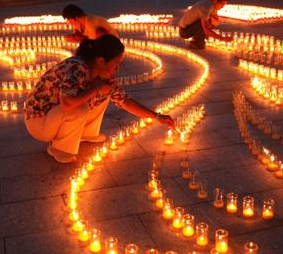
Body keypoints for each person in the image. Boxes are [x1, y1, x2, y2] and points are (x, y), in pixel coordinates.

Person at [24, 35, 174, 163]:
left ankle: (86, 134)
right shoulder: (77, 67)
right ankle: (59, 148)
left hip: (55, 117)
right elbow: (67, 103)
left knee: (105, 93)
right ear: (101, 61)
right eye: (116, 64)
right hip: (40, 122)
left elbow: (125, 101)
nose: (117, 69)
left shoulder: (101, 76)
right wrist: (96, 88)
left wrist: (157, 116)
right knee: (81, 105)